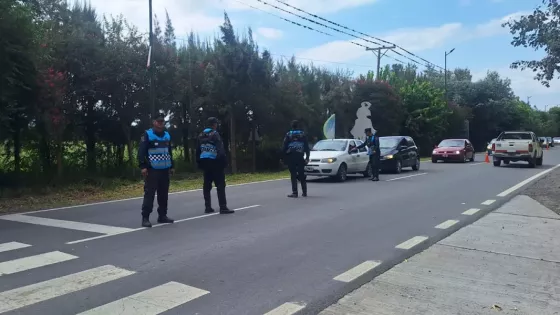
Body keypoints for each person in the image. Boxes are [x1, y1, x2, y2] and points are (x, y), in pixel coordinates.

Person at [138, 113, 175, 227]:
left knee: (163, 194)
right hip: (152, 169)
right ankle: (145, 217)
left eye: (162, 122)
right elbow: (141, 152)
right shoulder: (148, 134)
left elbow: (169, 152)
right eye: (158, 122)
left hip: (165, 169)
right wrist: (143, 166)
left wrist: (172, 166)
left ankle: (162, 215)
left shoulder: (167, 136)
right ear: (154, 122)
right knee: (149, 194)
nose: (160, 123)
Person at [196, 117, 234, 214]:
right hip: (215, 163)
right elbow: (220, 150)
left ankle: (207, 207)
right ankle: (223, 207)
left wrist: (199, 163)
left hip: (205, 163)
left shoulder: (201, 135)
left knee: (207, 186)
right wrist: (224, 162)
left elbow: (198, 150)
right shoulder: (215, 134)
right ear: (214, 124)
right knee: (220, 185)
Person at [283, 120, 310, 198]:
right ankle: (304, 192)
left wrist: (283, 157)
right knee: (301, 173)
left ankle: (295, 192)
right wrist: (307, 157)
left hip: (291, 157)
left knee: (293, 174)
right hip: (300, 156)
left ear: (292, 126)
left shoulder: (288, 134)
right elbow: (307, 147)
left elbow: (284, 147)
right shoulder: (302, 134)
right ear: (298, 126)